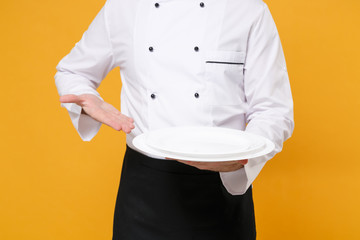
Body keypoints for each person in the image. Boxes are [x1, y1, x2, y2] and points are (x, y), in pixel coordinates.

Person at [55, 0, 294, 239]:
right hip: (144, 190)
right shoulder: (122, 7)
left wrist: (244, 160)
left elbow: (273, 109)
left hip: (223, 185)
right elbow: (73, 72)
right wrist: (86, 98)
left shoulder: (248, 10)